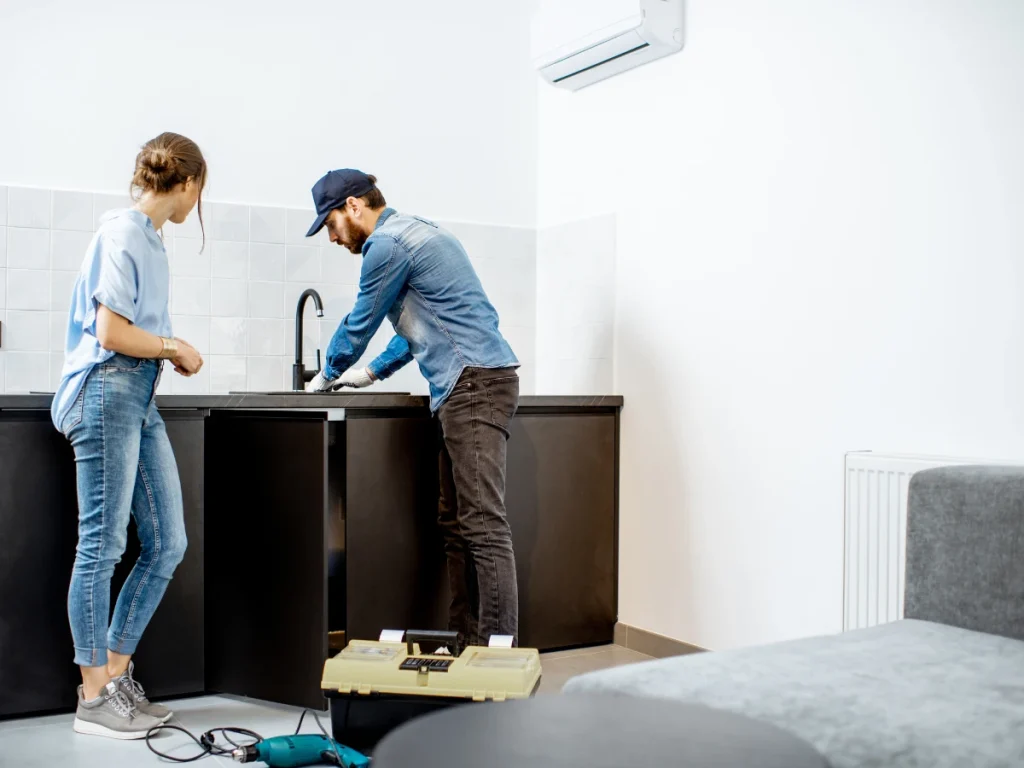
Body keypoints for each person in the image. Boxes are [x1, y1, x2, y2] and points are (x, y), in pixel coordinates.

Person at [306, 170, 521, 648]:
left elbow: (360, 320)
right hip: (468, 384)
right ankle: (467, 644)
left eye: (332, 222)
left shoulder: (388, 245)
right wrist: (374, 372)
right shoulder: (423, 232)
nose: (332, 235)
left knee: (483, 524)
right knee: (458, 524)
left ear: (355, 206)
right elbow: (429, 325)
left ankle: (500, 660)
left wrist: (326, 375)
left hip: (474, 385)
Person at [51, 132, 207, 739]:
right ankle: (92, 696)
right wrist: (176, 347)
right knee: (103, 545)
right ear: (189, 183)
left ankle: (114, 677)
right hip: (106, 386)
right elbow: (112, 331)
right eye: (202, 189)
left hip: (137, 394)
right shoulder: (122, 231)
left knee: (168, 542)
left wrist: (166, 352)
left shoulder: (151, 240)